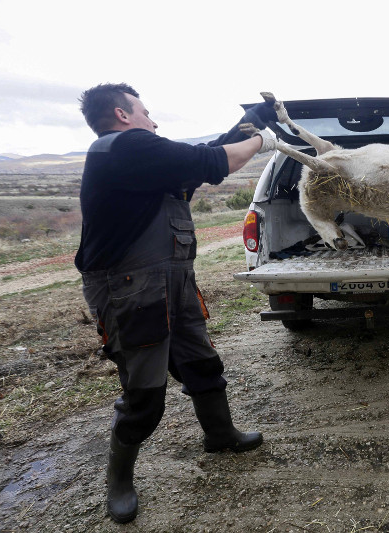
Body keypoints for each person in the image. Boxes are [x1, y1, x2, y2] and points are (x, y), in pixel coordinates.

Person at [76, 83, 277, 523]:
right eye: (145, 112)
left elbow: (196, 163)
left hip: (172, 281)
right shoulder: (124, 148)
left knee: (201, 362)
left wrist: (252, 122)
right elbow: (212, 161)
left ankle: (220, 435)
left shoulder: (138, 158)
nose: (154, 120)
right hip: (129, 289)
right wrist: (264, 141)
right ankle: (120, 483)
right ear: (122, 114)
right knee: (145, 394)